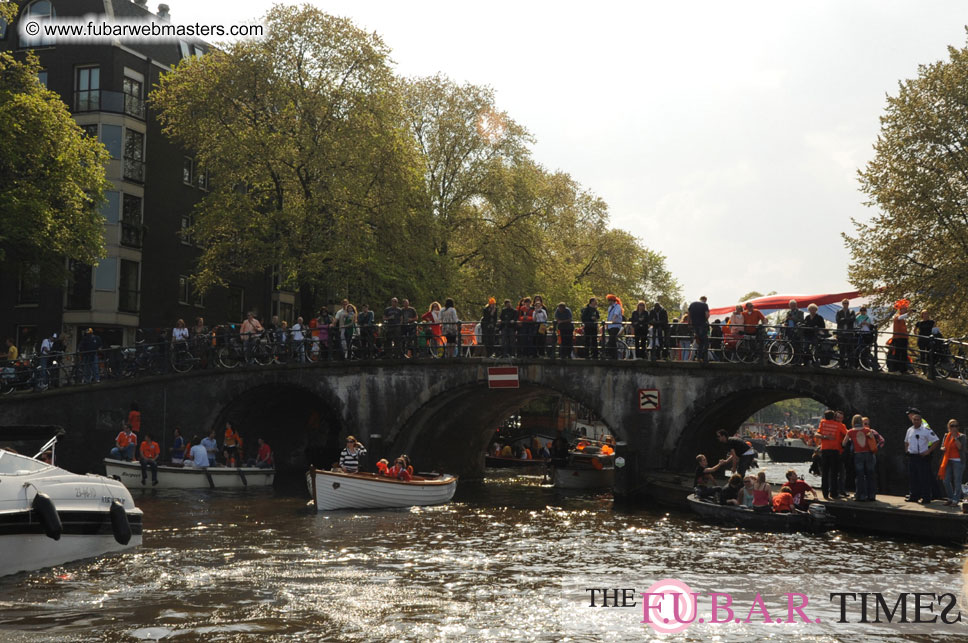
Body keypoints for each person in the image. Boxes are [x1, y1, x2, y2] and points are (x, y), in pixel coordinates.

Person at [904, 407, 940, 503]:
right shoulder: (909, 430)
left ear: (920, 420)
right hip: (912, 456)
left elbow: (936, 440)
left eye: (917, 420)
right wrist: (906, 450)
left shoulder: (926, 430)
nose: (915, 421)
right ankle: (914, 496)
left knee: (924, 478)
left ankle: (926, 497)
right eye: (914, 420)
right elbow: (906, 441)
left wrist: (928, 451)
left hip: (922, 456)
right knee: (913, 477)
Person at [843, 414, 882, 501]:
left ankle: (861, 496)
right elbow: (873, 440)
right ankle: (871, 495)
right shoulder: (867, 430)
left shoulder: (850, 432)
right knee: (870, 475)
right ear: (861, 421)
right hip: (869, 454)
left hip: (858, 454)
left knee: (860, 475)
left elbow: (843, 443)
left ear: (853, 422)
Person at [816, 410, 848, 499]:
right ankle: (833, 493)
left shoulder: (822, 423)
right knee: (834, 473)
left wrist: (825, 437)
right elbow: (847, 434)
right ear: (833, 417)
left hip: (825, 450)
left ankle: (825, 493)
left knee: (825, 473)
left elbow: (817, 433)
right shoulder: (839, 425)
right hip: (835, 450)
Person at [938, 419, 966, 506]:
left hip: (958, 461)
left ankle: (955, 500)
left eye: (956, 426)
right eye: (952, 426)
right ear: (948, 427)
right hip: (947, 460)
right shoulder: (946, 435)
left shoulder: (962, 436)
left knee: (957, 481)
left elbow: (961, 447)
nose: (954, 428)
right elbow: (942, 446)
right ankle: (950, 498)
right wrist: (943, 448)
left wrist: (955, 437)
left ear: (958, 427)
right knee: (945, 480)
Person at [687, 296, 710, 364]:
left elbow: (688, 314)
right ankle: (703, 358)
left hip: (694, 325)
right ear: (705, 300)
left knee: (699, 340)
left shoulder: (692, 304)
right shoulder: (705, 305)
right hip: (702, 325)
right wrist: (706, 320)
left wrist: (689, 323)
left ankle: (699, 357)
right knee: (705, 341)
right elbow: (707, 315)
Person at [889, 300, 911, 373]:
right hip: (899, 338)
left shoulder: (901, 318)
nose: (905, 310)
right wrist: (908, 314)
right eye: (904, 309)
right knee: (898, 353)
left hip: (903, 338)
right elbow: (899, 317)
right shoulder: (897, 317)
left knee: (903, 354)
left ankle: (903, 369)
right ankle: (896, 369)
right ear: (900, 309)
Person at [835, 299, 856, 368]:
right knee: (841, 349)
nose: (845, 304)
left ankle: (851, 365)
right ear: (842, 304)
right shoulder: (839, 311)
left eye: (846, 303)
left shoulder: (852, 311)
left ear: (848, 304)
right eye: (844, 303)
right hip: (841, 333)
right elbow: (838, 320)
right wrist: (847, 319)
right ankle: (841, 364)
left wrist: (843, 319)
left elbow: (853, 319)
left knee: (850, 349)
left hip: (849, 332)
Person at [605, 294, 624, 359]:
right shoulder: (609, 308)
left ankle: (612, 355)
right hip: (610, 326)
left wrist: (613, 321)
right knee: (612, 341)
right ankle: (613, 355)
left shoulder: (617, 306)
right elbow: (608, 316)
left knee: (611, 339)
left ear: (612, 300)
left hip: (616, 325)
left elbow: (615, 314)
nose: (608, 302)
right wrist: (607, 324)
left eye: (609, 300)